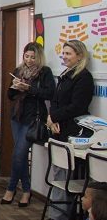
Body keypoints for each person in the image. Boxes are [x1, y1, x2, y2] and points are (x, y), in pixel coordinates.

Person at [1, 42, 55, 206]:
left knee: (18, 155)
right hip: (17, 116)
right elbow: (10, 95)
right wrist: (15, 87)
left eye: (33, 57)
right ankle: (26, 190)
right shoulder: (18, 70)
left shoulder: (44, 72)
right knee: (21, 156)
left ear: (38, 57)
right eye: (26, 56)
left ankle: (11, 188)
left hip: (33, 118)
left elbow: (49, 93)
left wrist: (28, 88)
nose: (29, 60)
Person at [48, 39, 94, 220]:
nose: (64, 56)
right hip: (58, 130)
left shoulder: (84, 77)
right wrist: (51, 118)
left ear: (79, 56)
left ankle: (59, 216)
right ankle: (56, 214)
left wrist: (55, 117)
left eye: (68, 53)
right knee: (59, 174)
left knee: (65, 177)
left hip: (72, 131)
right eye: (64, 53)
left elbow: (77, 106)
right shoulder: (66, 74)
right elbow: (55, 101)